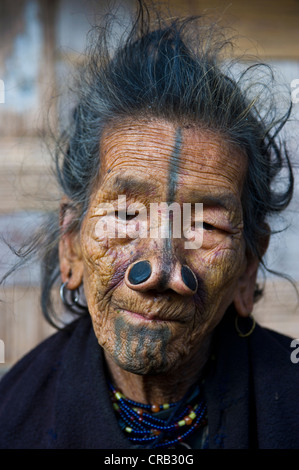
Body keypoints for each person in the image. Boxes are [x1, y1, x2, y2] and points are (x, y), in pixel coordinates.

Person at [0, 1, 298, 449]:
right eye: (124, 214)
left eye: (204, 226)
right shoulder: (12, 419)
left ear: (248, 267)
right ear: (71, 248)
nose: (159, 271)